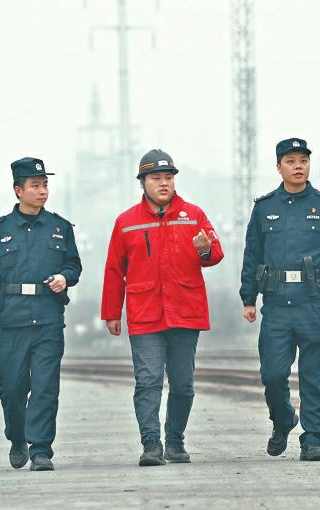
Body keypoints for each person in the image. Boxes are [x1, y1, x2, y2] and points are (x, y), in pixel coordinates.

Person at [101, 149, 224, 466]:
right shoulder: (126, 222)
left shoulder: (194, 215)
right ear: (142, 182)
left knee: (183, 384)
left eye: (168, 177)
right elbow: (114, 269)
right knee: (148, 381)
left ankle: (175, 441)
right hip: (145, 314)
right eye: (156, 178)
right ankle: (151, 444)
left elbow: (215, 254)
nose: (164, 183)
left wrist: (205, 250)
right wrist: (112, 312)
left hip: (185, 312)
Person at [239, 138, 320, 462]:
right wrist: (248, 297)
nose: (298, 166)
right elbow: (252, 254)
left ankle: (313, 438)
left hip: (312, 303)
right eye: (290, 161)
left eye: (303, 160)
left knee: (312, 373)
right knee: (273, 374)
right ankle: (282, 420)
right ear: (279, 167)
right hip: (276, 305)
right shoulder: (264, 208)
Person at [0, 156, 82, 472]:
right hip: (11, 322)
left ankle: (41, 449)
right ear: (18, 190)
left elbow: (74, 265)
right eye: (35, 185)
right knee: (12, 388)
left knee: (45, 387)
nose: (43, 191)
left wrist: (65, 277)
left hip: (48, 320)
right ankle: (17, 436)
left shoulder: (60, 228)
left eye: (45, 184)